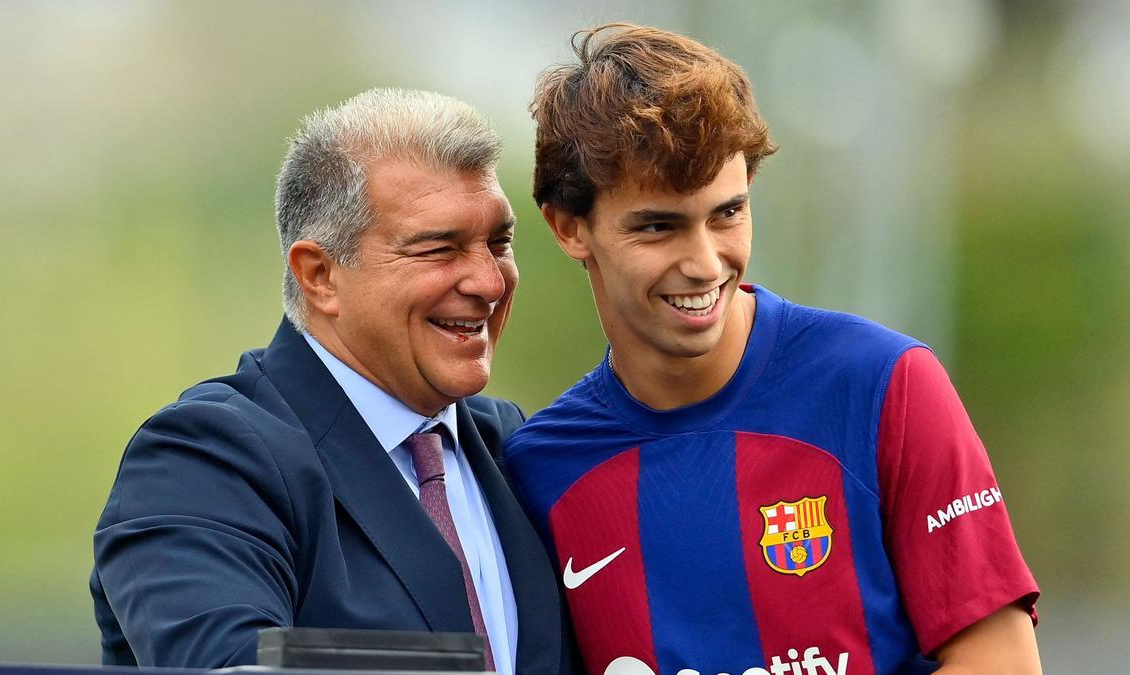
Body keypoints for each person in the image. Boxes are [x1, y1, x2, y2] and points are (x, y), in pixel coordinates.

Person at [504, 24, 1041, 675]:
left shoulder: (884, 386)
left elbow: (1001, 661)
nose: (704, 263)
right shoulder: (539, 468)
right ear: (569, 227)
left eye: (726, 213)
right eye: (657, 226)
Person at [90, 88, 569, 673]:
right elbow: (229, 663)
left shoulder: (522, 450)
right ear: (319, 275)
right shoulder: (203, 459)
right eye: (439, 249)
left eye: (499, 243)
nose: (489, 283)